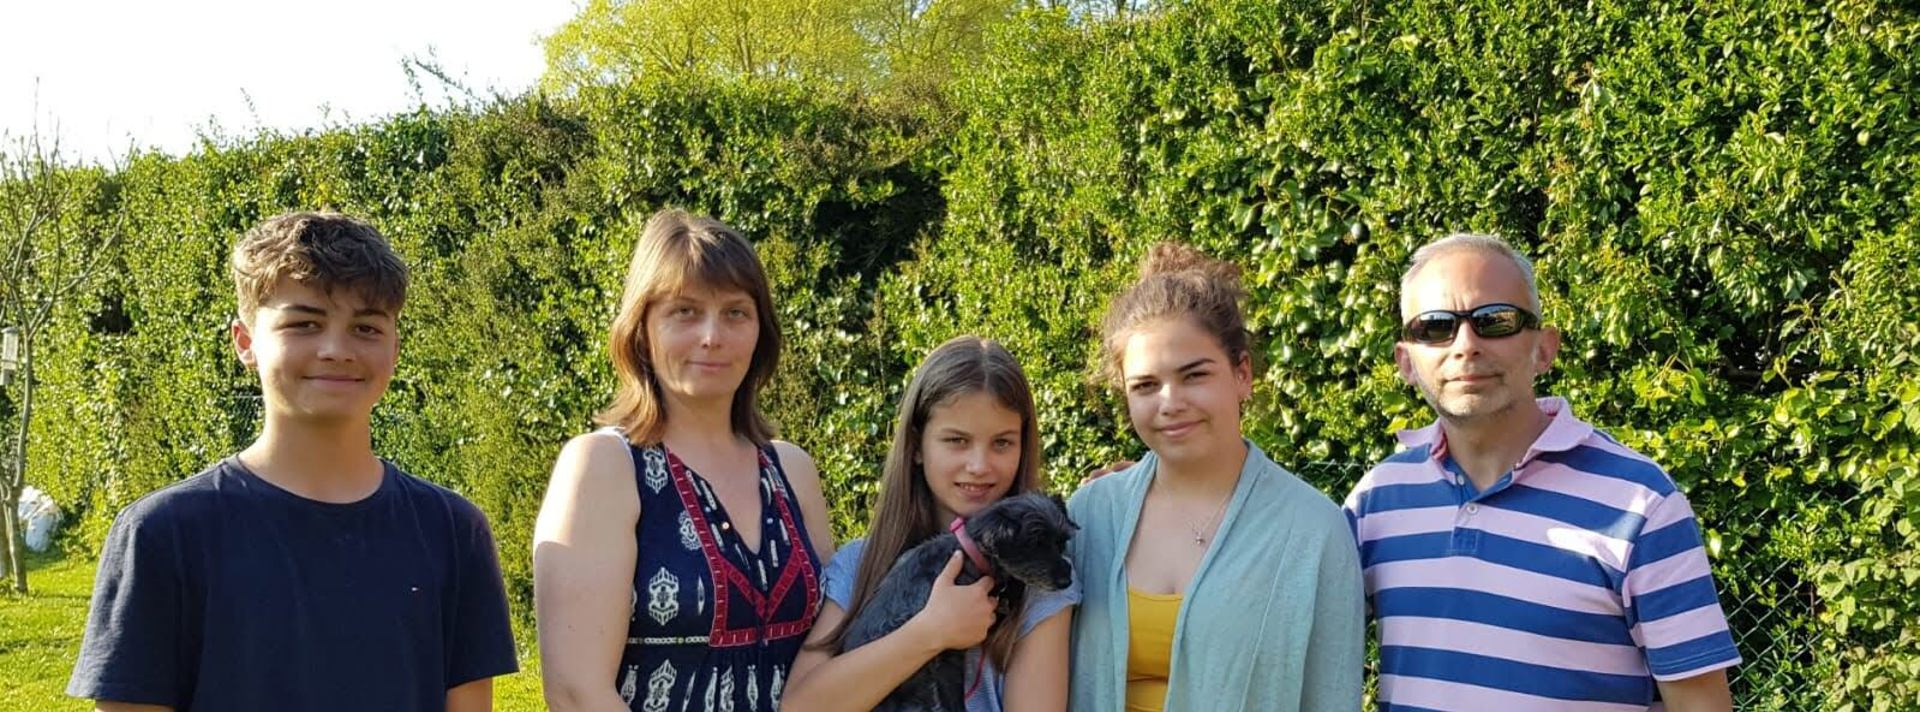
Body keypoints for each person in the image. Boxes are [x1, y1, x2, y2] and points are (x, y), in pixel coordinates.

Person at [67, 211, 518, 711]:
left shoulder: (453, 531)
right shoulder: (161, 534)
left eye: (366, 327)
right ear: (245, 342)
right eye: (304, 323)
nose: (336, 350)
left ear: (395, 345)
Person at [1343, 233, 1739, 710]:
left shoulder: (1640, 503)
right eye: (1435, 328)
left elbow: (1701, 705)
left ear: (1544, 349)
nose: (1465, 346)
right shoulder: (1376, 502)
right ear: (1406, 361)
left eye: (1495, 322)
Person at [534, 208, 834, 712]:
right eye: (685, 312)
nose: (712, 336)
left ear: (761, 331)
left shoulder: (791, 471)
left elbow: (828, 658)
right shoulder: (605, 467)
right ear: (641, 329)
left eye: (736, 312)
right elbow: (576, 692)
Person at [1067, 242, 1364, 712]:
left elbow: (1331, 697)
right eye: (1145, 385)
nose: (1170, 402)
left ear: (1241, 373)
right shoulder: (1090, 514)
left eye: (1194, 376)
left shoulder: (1313, 533)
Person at [783, 335, 1079, 711]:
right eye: (956, 440)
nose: (979, 465)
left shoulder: (1039, 581)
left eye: (1002, 443)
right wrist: (930, 632)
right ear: (917, 447)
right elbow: (800, 707)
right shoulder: (863, 563)